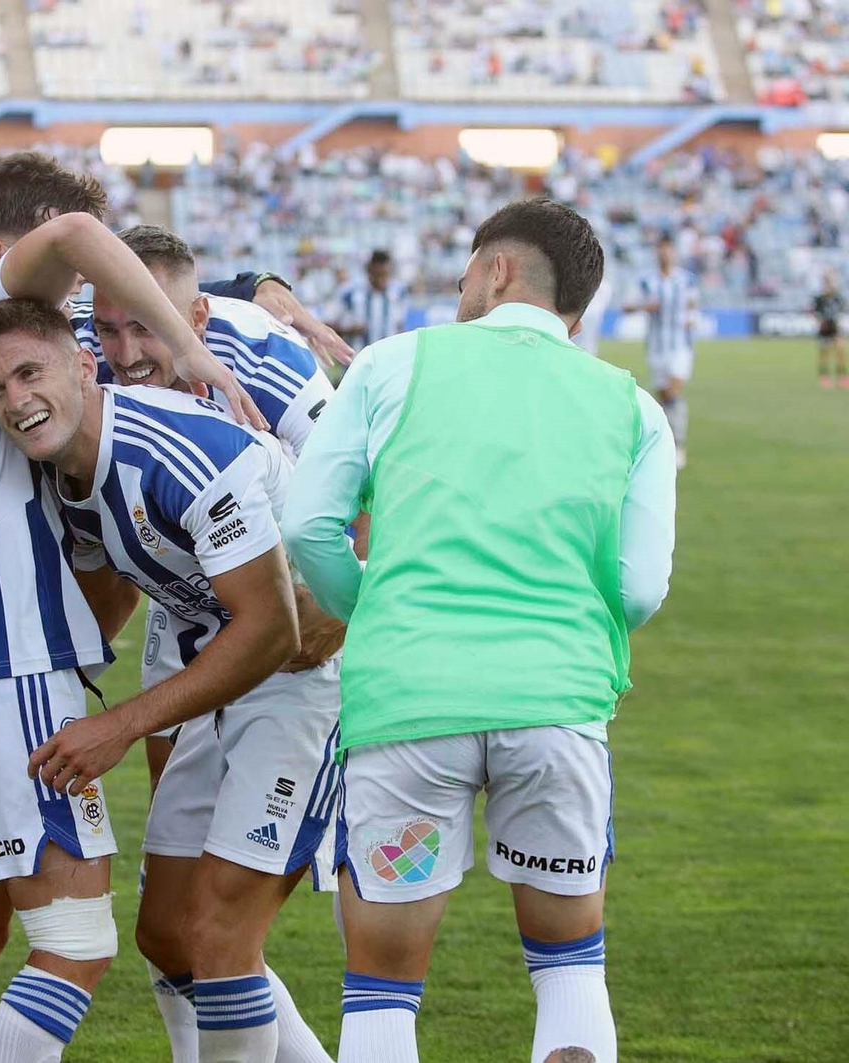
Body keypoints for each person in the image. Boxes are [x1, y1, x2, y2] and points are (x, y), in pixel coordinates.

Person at [281, 198, 677, 1063]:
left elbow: (308, 523)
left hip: (408, 701)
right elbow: (641, 588)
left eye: (465, 273)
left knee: (382, 987)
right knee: (571, 964)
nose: (460, 288)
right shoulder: (631, 404)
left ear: (497, 271)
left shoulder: (390, 365)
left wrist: (371, 608)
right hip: (557, 703)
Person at [0, 152, 257, 1063]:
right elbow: (76, 235)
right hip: (9, 668)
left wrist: (264, 292)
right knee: (77, 943)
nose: (83, 292)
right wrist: (187, 342)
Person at [0, 296, 343, 1063]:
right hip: (224, 671)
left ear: (80, 367)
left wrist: (122, 722)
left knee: (221, 930)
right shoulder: (65, 470)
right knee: (166, 932)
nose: (15, 401)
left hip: (306, 675)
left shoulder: (175, 453)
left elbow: (278, 629)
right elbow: (104, 600)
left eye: (30, 373)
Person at [73, 224, 346, 1062]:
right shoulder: (78, 357)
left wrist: (346, 601)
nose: (124, 351)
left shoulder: (268, 362)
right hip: (188, 626)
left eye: (145, 328)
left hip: (297, 643)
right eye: (109, 329)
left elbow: (370, 477)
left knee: (223, 926)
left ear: (192, 315)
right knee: (169, 931)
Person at [621, 233, 697, 469]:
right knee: (665, 396)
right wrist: (645, 306)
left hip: (680, 346)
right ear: (657, 253)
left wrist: (690, 319)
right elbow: (627, 306)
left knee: (674, 392)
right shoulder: (646, 281)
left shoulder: (686, 280)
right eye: (661, 249)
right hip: (656, 347)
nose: (665, 254)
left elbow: (693, 305)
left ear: (674, 252)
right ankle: (666, 441)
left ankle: (678, 444)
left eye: (668, 249)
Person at [330, 250, 407, 353]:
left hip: (388, 359)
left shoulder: (398, 293)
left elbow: (400, 326)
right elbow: (328, 325)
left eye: (384, 275)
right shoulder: (350, 293)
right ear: (369, 272)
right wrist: (349, 330)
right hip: (357, 359)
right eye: (377, 275)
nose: (381, 280)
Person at [814, 271, 847, 389]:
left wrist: (839, 324)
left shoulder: (838, 297)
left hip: (835, 327)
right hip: (824, 328)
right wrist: (820, 323)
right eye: (828, 282)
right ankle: (824, 377)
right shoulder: (819, 298)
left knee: (840, 351)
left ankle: (842, 377)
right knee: (825, 354)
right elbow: (815, 313)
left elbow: (841, 312)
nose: (831, 285)